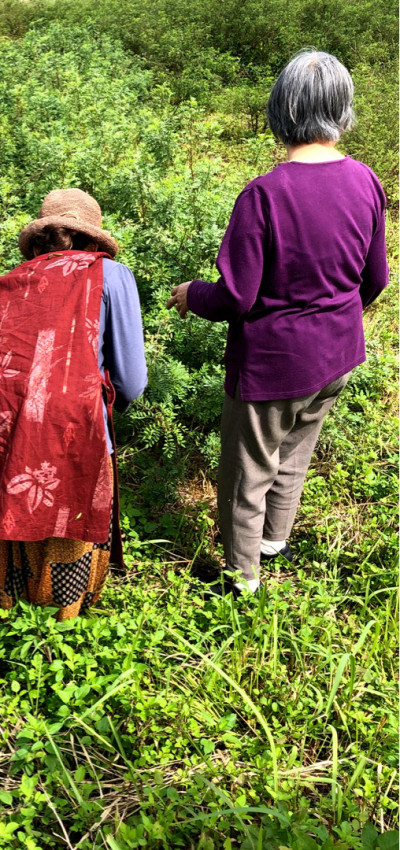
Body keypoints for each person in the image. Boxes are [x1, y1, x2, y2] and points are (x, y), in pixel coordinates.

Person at [167, 50, 389, 596]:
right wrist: (331, 321)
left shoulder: (264, 195)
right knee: (295, 451)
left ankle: (242, 581)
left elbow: (237, 297)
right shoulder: (366, 181)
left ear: (279, 109)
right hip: (337, 354)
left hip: (271, 365)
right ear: (344, 109)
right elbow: (376, 278)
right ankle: (274, 542)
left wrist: (191, 295)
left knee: (248, 473)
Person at [0, 189, 147, 624]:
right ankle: (61, 624)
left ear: (40, 240)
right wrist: (107, 405)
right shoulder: (112, 275)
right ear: (94, 239)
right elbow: (132, 381)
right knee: (67, 517)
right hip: (67, 416)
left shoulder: (3, 284)